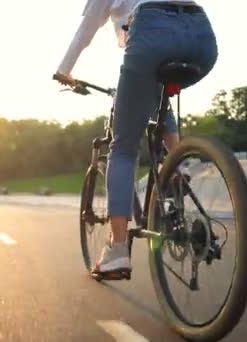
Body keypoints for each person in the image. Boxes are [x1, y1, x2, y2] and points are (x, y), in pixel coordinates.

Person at [55, 0, 217, 278]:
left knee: (123, 149)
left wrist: (63, 71)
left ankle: (118, 250)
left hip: (150, 32)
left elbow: (86, 30)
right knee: (156, 93)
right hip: (201, 35)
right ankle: (177, 163)